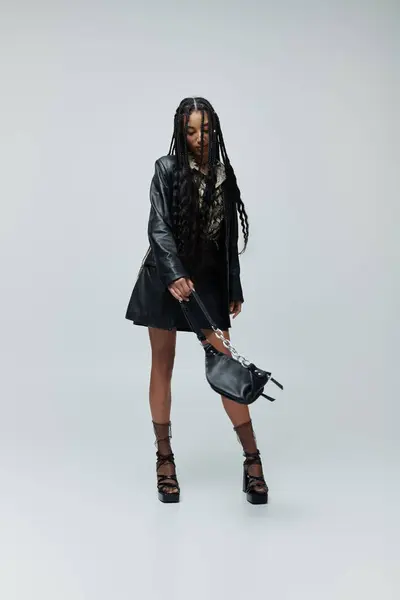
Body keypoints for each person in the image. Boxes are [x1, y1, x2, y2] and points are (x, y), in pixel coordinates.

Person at [125, 97, 268, 505]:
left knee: (225, 364)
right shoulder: (166, 169)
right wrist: (174, 274)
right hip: (164, 281)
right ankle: (164, 458)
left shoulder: (224, 174)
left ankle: (252, 459)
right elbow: (159, 227)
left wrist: (233, 288)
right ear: (180, 132)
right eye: (190, 130)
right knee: (162, 364)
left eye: (204, 130)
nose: (198, 138)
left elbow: (226, 244)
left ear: (215, 129)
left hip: (204, 284)